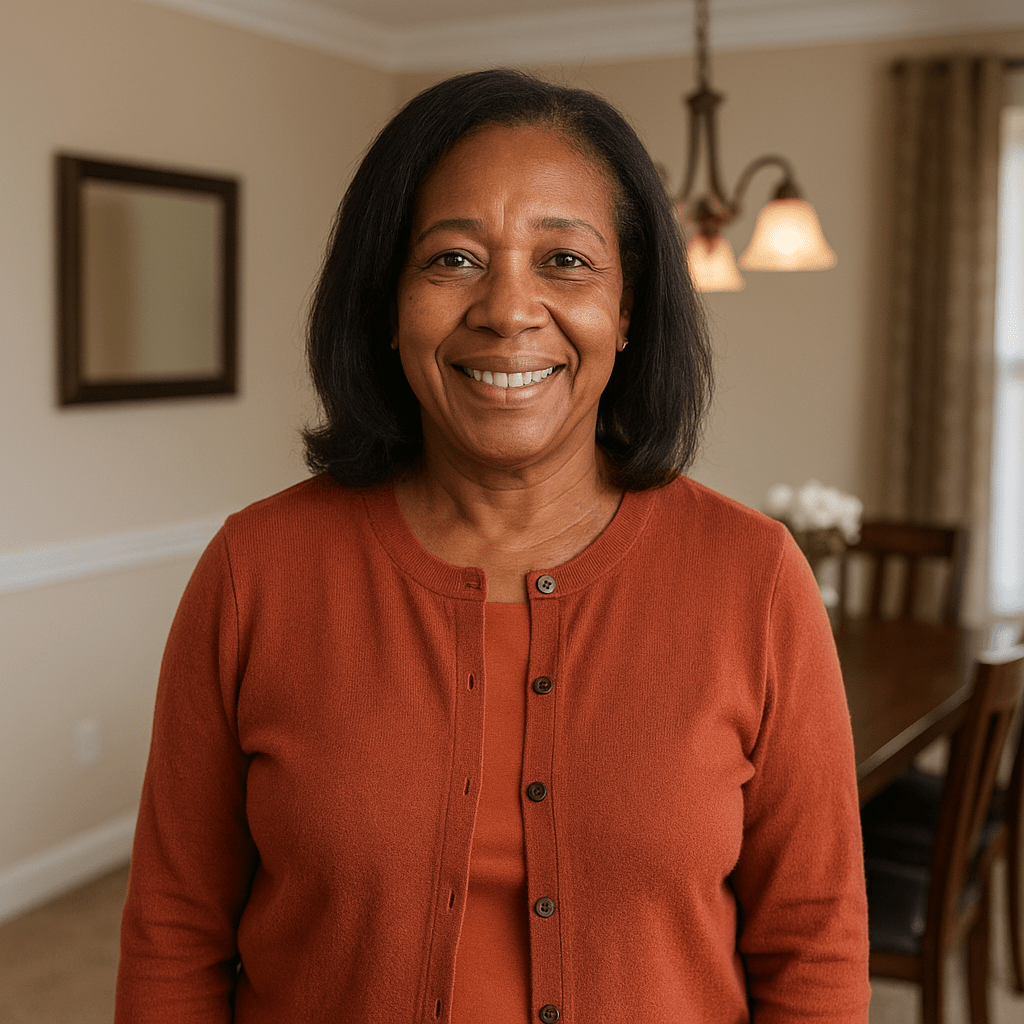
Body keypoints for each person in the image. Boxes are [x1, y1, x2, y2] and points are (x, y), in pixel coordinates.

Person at [116, 69, 870, 1023]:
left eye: (565, 261)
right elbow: (174, 934)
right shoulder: (253, 572)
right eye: (454, 260)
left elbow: (814, 948)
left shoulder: (754, 578)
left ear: (629, 310)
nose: (508, 310)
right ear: (388, 304)